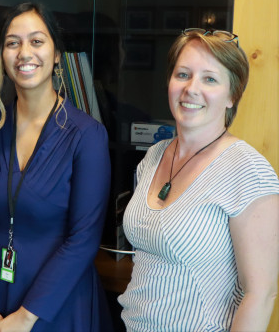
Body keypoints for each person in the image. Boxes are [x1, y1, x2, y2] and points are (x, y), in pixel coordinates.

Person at [0, 2, 112, 332]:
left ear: (57, 54)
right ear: (2, 55)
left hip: (56, 303)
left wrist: (27, 317)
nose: (24, 53)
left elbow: (83, 238)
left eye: (37, 41)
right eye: (13, 43)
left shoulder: (87, 135)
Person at [118, 28, 279, 331]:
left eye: (209, 79)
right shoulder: (154, 157)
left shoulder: (247, 171)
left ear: (232, 95)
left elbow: (261, 294)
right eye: (183, 74)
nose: (191, 89)